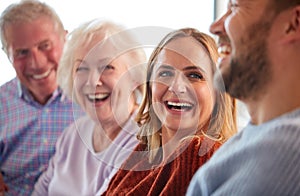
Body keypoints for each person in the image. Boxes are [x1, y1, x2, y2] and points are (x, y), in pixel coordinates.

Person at [103, 28, 237, 195]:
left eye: (194, 75)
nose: (176, 87)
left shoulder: (198, 153)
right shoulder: (144, 156)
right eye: (165, 73)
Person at [187, 0, 300, 195]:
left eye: (235, 7)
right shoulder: (254, 141)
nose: (214, 27)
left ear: (293, 24)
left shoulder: (286, 150)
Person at [33, 19, 147, 195]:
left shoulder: (143, 140)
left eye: (107, 67)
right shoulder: (72, 134)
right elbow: (41, 190)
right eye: (81, 68)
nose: (93, 81)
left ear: (134, 77)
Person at [0, 0, 83, 195]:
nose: (36, 63)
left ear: (65, 39)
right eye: (21, 52)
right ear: (7, 54)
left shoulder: (97, 98)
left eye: (45, 46)